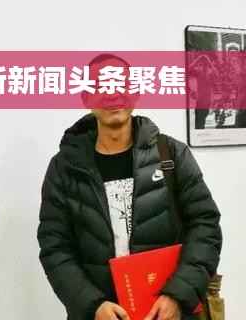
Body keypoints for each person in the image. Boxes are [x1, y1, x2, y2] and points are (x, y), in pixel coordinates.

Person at [37, 54, 222, 320]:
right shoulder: (65, 167)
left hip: (168, 312)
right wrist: (92, 305)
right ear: (86, 97)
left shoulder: (170, 155)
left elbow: (205, 226)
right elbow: (55, 247)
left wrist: (177, 295)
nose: (113, 94)